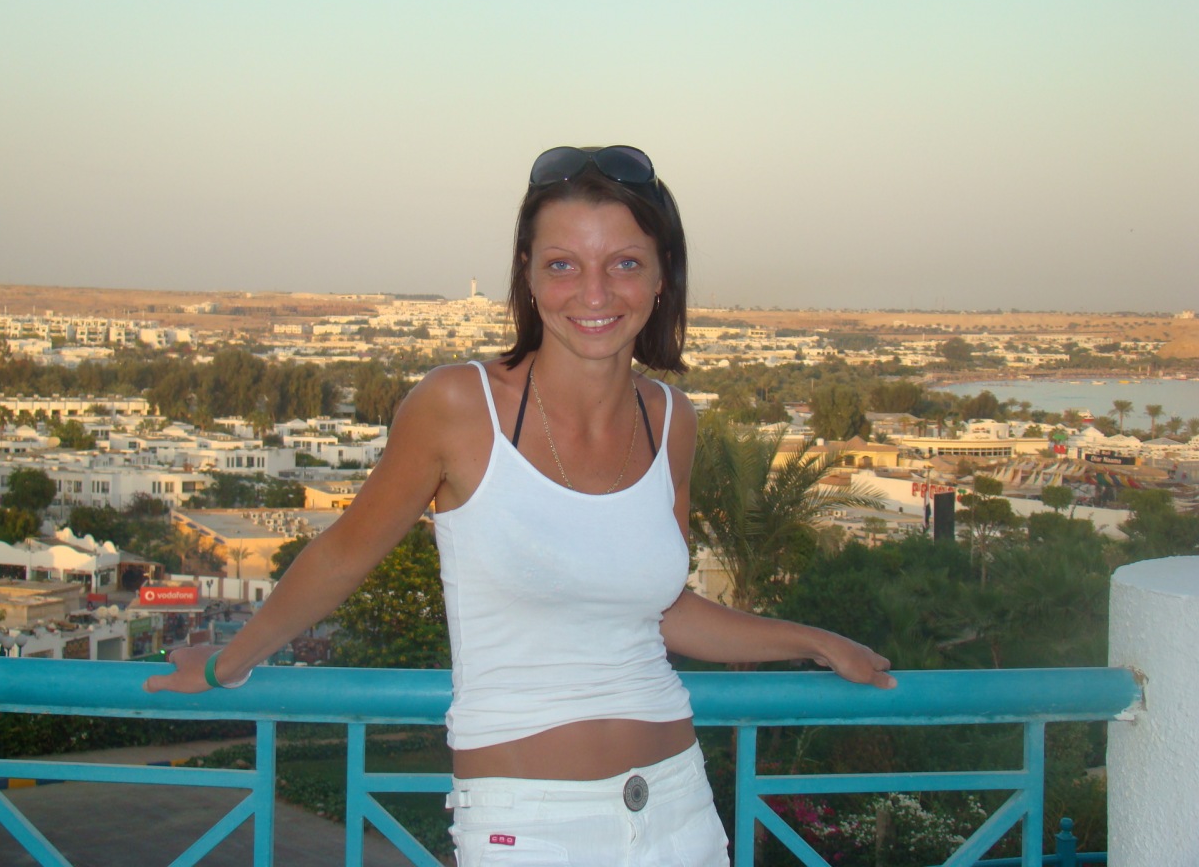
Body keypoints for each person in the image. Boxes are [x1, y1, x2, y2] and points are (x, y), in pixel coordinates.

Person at [146, 144, 895, 865]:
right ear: (528, 278)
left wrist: (814, 641)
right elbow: (343, 555)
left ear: (662, 277)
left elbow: (662, 609)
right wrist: (227, 665)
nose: (594, 294)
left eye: (625, 263)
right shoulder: (458, 406)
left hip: (679, 808)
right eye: (563, 265)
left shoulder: (671, 420)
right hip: (528, 824)